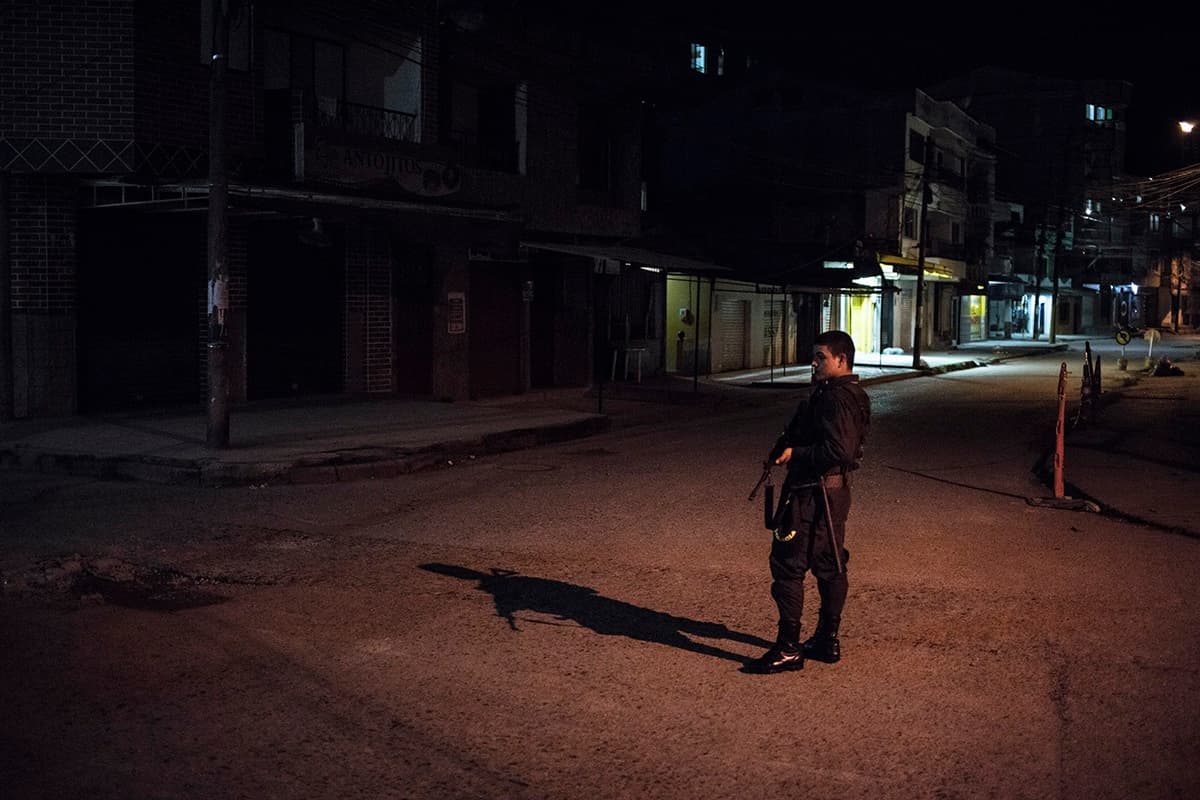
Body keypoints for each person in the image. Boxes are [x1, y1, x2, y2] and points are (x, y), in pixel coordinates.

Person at [743, 330, 871, 674]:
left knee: (788, 565)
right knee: (830, 564)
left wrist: (794, 452)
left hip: (813, 495)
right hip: (832, 493)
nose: (814, 363)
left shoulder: (837, 399)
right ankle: (826, 640)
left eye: (821, 357)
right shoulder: (846, 394)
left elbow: (838, 450)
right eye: (814, 357)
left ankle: (788, 648)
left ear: (842, 360)